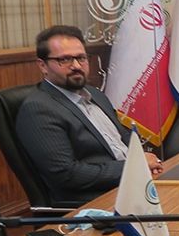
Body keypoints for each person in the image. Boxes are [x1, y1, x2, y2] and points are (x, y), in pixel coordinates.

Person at [16, 25, 163, 206]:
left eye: (81, 58)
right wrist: (134, 167)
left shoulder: (96, 95)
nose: (76, 66)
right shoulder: (38, 109)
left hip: (135, 184)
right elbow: (67, 174)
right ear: (43, 66)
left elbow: (124, 138)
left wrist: (145, 162)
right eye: (64, 59)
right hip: (98, 201)